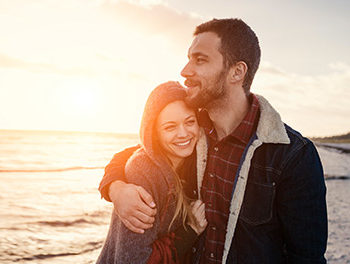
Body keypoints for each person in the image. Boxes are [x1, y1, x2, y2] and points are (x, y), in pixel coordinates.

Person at [99, 18, 328, 263]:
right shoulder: (192, 133)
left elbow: (307, 257)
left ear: (237, 72)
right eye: (188, 58)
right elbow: (141, 153)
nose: (185, 71)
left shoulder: (293, 155)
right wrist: (116, 188)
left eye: (200, 60)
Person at [96, 82, 208, 263]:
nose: (183, 133)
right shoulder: (145, 172)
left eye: (190, 122)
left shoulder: (194, 157)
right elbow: (133, 260)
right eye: (170, 127)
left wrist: (114, 186)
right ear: (154, 133)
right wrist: (190, 231)